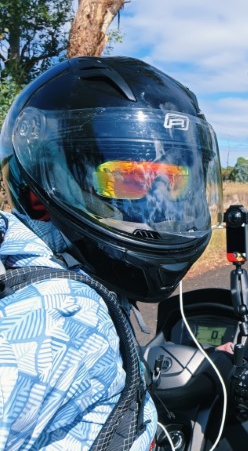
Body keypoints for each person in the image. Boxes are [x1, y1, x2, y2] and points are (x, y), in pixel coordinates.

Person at [0, 56, 224, 450]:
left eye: (171, 182)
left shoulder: (43, 268)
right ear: (40, 192)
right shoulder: (60, 318)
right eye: (126, 178)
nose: (154, 205)